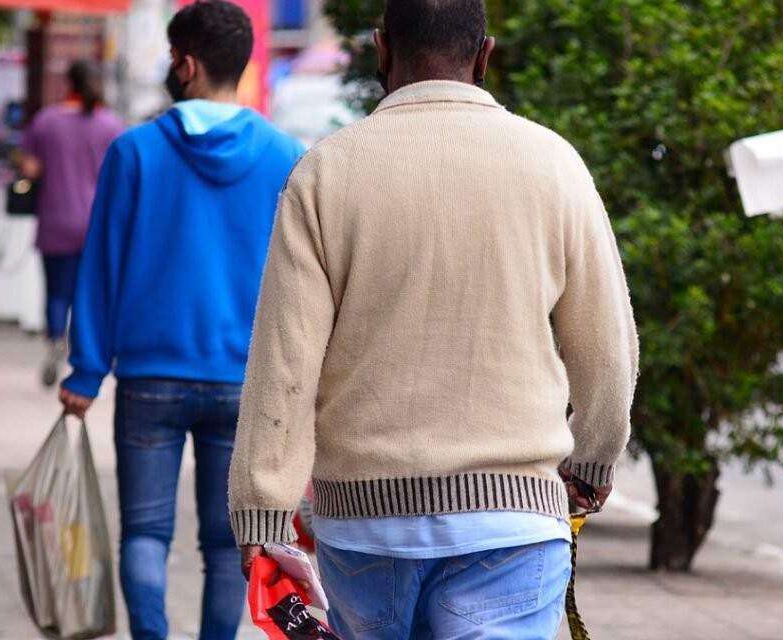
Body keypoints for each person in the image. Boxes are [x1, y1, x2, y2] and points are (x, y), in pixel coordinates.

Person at [227, 0, 639, 637]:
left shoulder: (325, 173)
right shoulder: (554, 165)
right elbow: (609, 352)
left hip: (364, 530)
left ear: (382, 50)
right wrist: (590, 464)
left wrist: (262, 515)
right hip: (513, 523)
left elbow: (284, 362)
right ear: (484, 55)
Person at [57, 2, 306, 638]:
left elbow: (101, 268)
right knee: (228, 546)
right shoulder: (286, 156)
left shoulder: (133, 152)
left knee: (144, 530)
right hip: (244, 385)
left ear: (186, 64)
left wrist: (86, 371)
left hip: (148, 378)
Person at [19, 60, 123, 387]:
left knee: (56, 293)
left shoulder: (46, 121)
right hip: (96, 225)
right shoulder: (110, 125)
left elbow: (30, 170)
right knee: (89, 295)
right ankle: (85, 358)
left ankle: (54, 341)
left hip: (56, 220)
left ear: (67, 83)